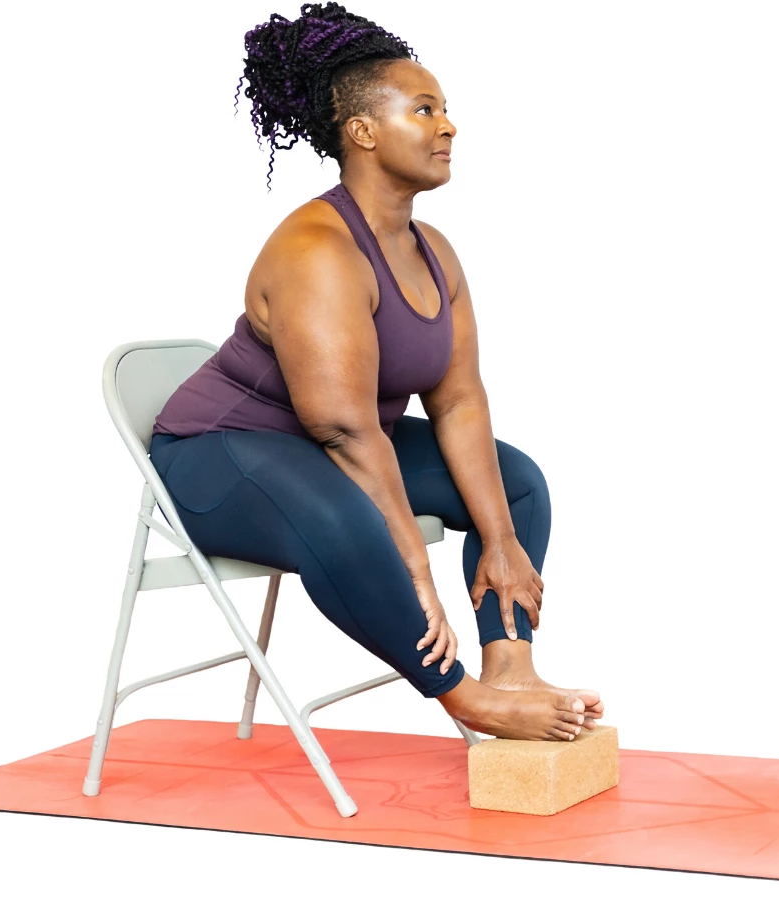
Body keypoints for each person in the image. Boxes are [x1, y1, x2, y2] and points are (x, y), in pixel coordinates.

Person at [148, 2, 604, 741]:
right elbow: (348, 432)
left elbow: (458, 402)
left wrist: (500, 540)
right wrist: (418, 576)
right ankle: (465, 699)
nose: (449, 126)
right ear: (362, 132)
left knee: (514, 485)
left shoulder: (436, 253)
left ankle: (510, 669)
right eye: (425, 110)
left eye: (447, 110)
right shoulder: (317, 251)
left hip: (330, 450)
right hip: (218, 457)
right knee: (347, 516)